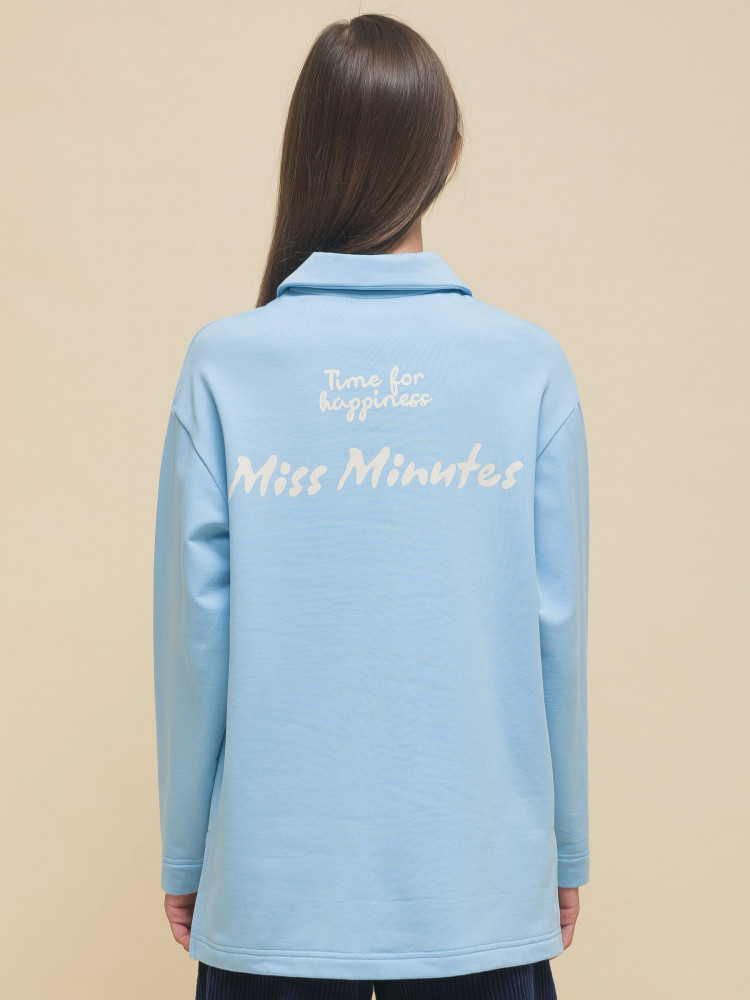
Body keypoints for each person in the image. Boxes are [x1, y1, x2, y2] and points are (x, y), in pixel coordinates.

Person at [153, 12, 590, 1000]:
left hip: (273, 896)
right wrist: (563, 848)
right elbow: (554, 631)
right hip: (479, 889)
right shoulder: (527, 366)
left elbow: (194, 642)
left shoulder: (225, 364)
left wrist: (187, 852)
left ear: (305, 153)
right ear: (449, 155)